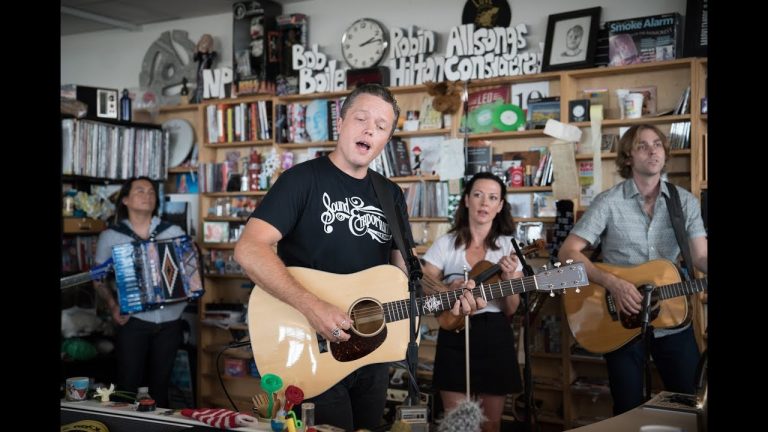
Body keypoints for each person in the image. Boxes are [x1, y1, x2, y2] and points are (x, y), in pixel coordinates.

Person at [233, 84, 485, 431]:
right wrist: (312, 306)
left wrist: (447, 292)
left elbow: (407, 269)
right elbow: (249, 249)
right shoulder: (300, 181)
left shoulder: (390, 194)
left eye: (382, 127)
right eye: (361, 118)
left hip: (373, 351)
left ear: (386, 140)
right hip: (309, 347)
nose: (370, 129)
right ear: (342, 122)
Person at [558, 124, 707, 415]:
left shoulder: (684, 201)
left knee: (691, 404)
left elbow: (700, 256)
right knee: (628, 408)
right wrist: (613, 284)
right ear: (628, 157)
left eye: (658, 145)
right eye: (643, 145)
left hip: (673, 318)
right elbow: (568, 252)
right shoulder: (608, 202)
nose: (653, 151)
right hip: (620, 320)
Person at [421, 172, 523, 432]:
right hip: (454, 330)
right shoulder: (446, 243)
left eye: (492, 198)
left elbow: (511, 308)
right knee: (456, 423)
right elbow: (423, 282)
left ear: (500, 206)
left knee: (491, 424)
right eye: (478, 195)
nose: (484, 203)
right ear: (466, 200)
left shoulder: (508, 246)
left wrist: (510, 276)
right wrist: (448, 288)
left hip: (494, 333)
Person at [92, 177, 187, 408]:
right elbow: (98, 278)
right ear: (125, 200)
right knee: (127, 384)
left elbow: (188, 270)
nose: (147, 195)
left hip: (171, 320)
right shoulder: (111, 236)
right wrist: (113, 306)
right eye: (140, 191)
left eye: (151, 192)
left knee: (160, 387)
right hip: (133, 320)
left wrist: (191, 285)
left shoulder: (173, 231)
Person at [193, 34, 217, 103]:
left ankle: (203, 101)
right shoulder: (199, 54)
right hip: (199, 74)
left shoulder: (212, 54)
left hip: (207, 75)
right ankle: (198, 101)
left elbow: (212, 58)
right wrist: (197, 47)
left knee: (205, 89)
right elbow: (195, 58)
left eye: (206, 40)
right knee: (199, 89)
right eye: (203, 40)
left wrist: (209, 49)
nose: (204, 42)